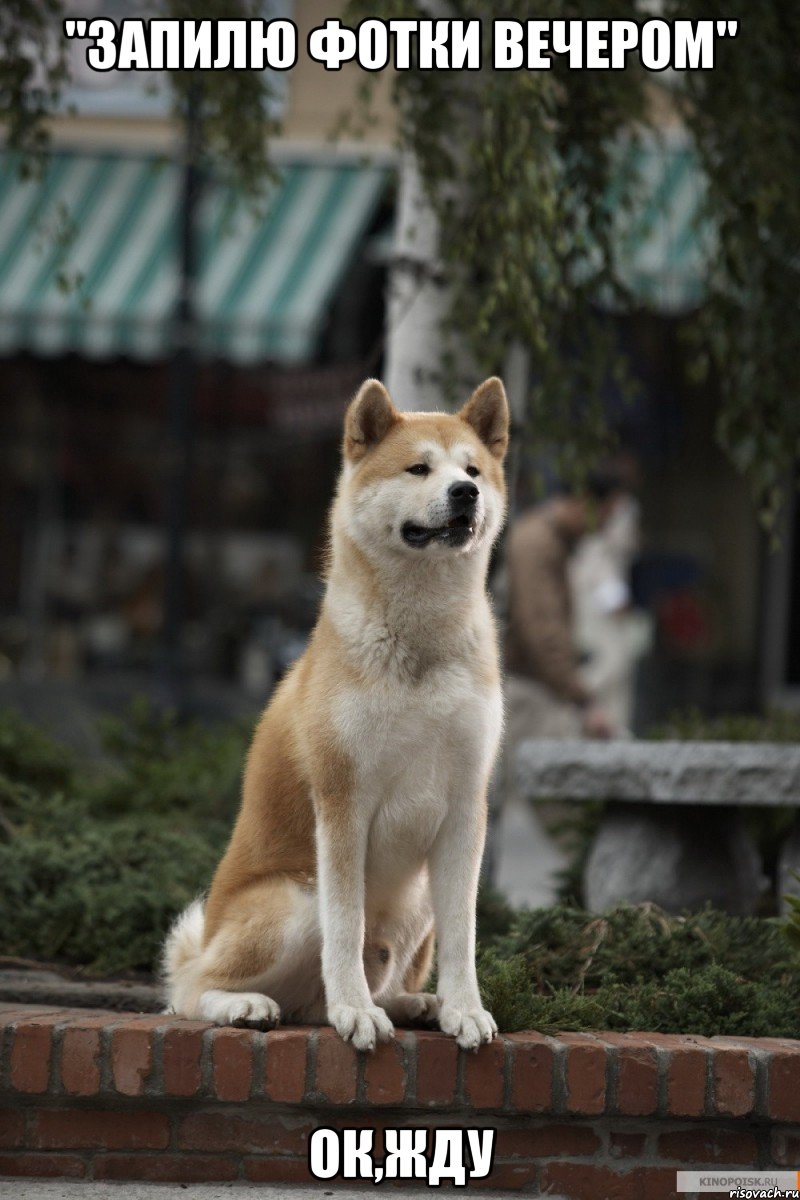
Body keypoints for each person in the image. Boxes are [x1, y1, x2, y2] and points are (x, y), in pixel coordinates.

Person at [504, 470, 627, 743]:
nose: (605, 527)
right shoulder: (538, 544)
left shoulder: (551, 541)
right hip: (527, 691)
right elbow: (542, 630)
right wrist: (583, 701)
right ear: (586, 502)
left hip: (537, 687)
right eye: (606, 515)